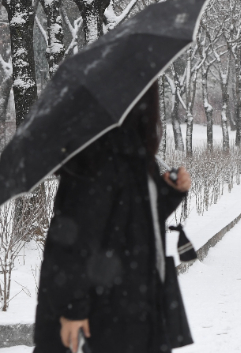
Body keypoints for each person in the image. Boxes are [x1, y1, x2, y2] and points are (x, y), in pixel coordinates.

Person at [33, 82, 192, 353]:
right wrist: (73, 309)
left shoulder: (133, 155)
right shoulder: (97, 155)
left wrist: (168, 193)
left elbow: (130, 222)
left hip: (132, 307)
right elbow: (74, 236)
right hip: (106, 315)